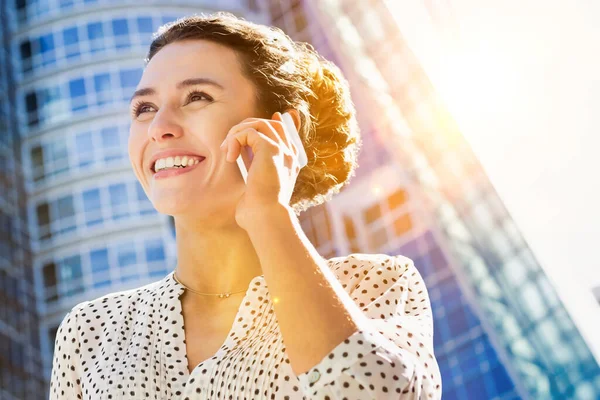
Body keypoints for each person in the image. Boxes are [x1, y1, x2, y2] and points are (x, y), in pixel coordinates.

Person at [49, 12, 441, 399]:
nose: (159, 127)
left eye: (197, 97)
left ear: (283, 130)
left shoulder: (372, 285)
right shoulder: (90, 331)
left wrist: (267, 213)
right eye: (144, 109)